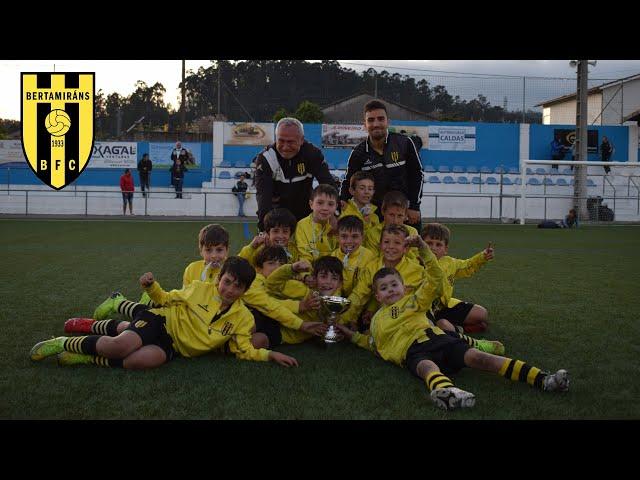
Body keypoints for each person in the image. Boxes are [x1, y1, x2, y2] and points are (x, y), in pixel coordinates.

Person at [335, 259, 569, 410]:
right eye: (383, 288)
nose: (390, 290)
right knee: (426, 367)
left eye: (393, 285)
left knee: (480, 358)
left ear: (403, 287)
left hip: (439, 339)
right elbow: (373, 344)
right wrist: (350, 334)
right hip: (412, 351)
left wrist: (423, 249)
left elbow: (436, 278)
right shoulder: (377, 320)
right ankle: (448, 392)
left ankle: (544, 379)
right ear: (377, 296)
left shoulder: (415, 301)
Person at [30, 257, 299, 370]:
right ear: (220, 279)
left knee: (137, 362)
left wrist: (271, 354)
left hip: (173, 348)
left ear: (245, 290)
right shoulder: (198, 289)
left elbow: (244, 350)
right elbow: (164, 299)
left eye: (237, 286)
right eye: (227, 282)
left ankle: (85, 359)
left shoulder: (244, 319)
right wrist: (151, 286)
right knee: (120, 345)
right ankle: (61, 342)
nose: (229, 289)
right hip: (161, 322)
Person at [340, 100, 424, 231]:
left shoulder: (405, 143)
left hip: (405, 213)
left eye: (380, 119)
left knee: (410, 250)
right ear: (365, 124)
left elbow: (417, 175)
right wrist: (341, 205)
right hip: (375, 216)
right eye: (371, 120)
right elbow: (348, 181)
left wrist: (414, 206)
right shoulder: (358, 153)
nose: (376, 124)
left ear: (387, 121)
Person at [254, 117, 334, 231]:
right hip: (278, 219)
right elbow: (263, 196)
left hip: (306, 216)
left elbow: (328, 184)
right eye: (281, 141)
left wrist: (335, 215)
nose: (285, 147)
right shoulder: (266, 158)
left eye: (290, 142)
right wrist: (263, 229)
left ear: (301, 140)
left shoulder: (312, 154)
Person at [421, 223, 494, 334]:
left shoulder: (450, 263)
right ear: (421, 245)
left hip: (445, 305)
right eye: (429, 243)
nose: (433, 248)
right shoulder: (416, 262)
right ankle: (460, 329)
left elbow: (468, 265)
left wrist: (483, 256)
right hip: (425, 309)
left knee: (482, 313)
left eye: (438, 244)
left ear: (445, 249)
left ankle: (449, 326)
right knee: (442, 325)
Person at [364, 190, 420, 263]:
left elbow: (416, 261)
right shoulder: (372, 233)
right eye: (391, 215)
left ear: (406, 215)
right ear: (383, 212)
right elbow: (372, 261)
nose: (395, 221)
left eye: (400, 216)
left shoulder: (412, 232)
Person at [330, 215, 375, 297]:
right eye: (344, 236)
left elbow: (369, 287)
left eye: (354, 236)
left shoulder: (369, 256)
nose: (349, 241)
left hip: (362, 303)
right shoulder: (333, 256)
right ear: (337, 237)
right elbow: (334, 286)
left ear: (362, 237)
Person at [294, 183, 339, 262]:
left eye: (330, 204)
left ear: (336, 207)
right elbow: (304, 256)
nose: (325, 208)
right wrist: (307, 274)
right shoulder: (302, 225)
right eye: (320, 203)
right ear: (311, 204)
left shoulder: (339, 226)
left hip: (334, 271)